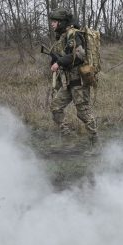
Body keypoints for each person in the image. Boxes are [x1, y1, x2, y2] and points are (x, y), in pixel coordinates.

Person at [47, 8, 98, 144]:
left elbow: (80, 55)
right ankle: (67, 136)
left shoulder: (73, 34)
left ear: (62, 22)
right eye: (52, 21)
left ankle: (94, 140)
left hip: (79, 80)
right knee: (56, 107)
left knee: (83, 112)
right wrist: (56, 60)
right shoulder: (63, 36)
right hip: (68, 81)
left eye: (55, 21)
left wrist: (59, 62)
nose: (52, 24)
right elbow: (66, 56)